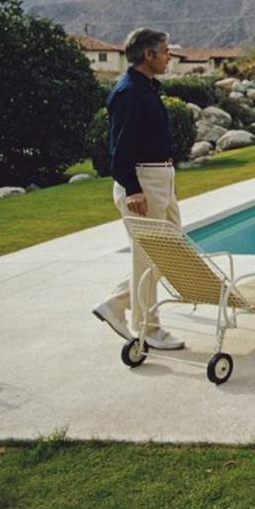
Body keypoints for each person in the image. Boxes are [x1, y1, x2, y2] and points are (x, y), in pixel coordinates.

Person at [91, 28, 186, 350]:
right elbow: (120, 149)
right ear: (149, 55)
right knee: (149, 258)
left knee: (169, 254)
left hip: (160, 180)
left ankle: (117, 303)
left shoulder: (145, 88)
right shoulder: (129, 92)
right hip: (143, 183)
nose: (169, 57)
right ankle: (148, 328)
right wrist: (133, 190)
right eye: (165, 52)